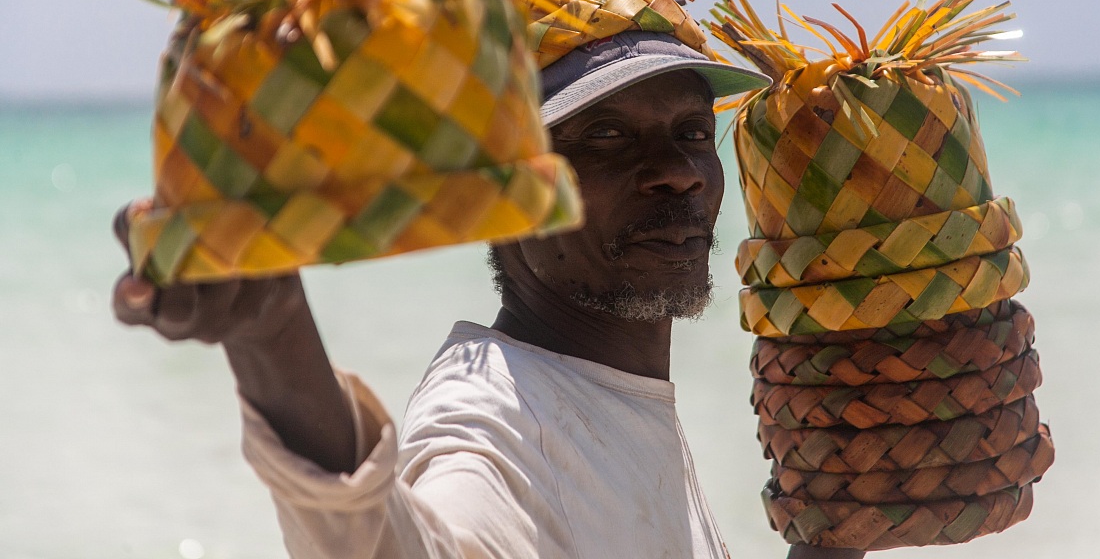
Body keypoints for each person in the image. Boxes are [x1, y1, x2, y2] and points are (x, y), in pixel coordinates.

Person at [112, 30, 865, 559]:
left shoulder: (608, 394)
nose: (679, 172)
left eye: (693, 131)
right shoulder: (501, 420)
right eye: (604, 136)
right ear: (503, 192)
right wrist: (272, 335)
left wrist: (830, 536)